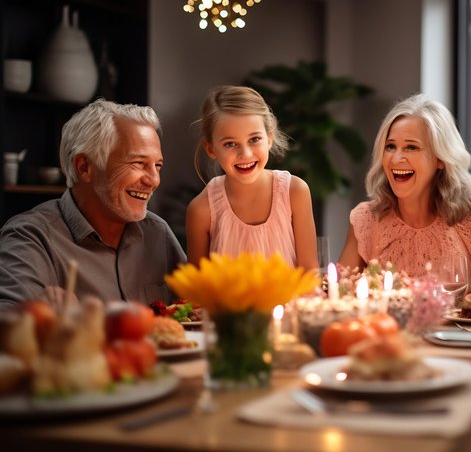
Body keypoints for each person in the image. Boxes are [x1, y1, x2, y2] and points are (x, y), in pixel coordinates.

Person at [0, 99, 185, 310]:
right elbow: (8, 326)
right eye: (138, 163)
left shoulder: (158, 233)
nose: (154, 180)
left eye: (157, 166)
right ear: (85, 167)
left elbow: (196, 310)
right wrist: (41, 318)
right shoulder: (30, 236)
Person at [338, 93, 471, 287]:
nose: (396, 158)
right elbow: (339, 293)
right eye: (390, 147)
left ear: (440, 158)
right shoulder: (365, 220)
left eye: (411, 147)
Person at [185, 85, 318, 270]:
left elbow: (309, 273)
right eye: (230, 143)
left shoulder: (295, 192)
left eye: (254, 139)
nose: (246, 154)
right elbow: (196, 290)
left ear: (269, 139)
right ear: (211, 149)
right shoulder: (201, 210)